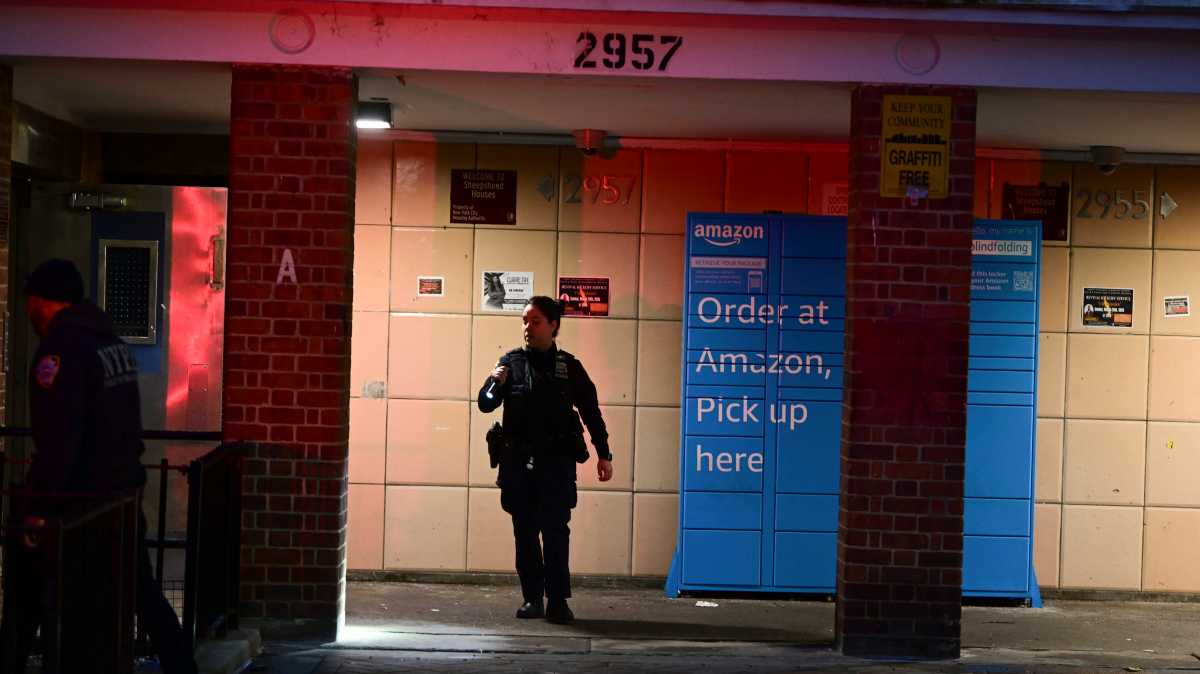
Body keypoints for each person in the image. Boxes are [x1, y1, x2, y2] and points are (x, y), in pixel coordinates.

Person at [0, 259, 198, 673]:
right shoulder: (110, 343)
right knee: (140, 590)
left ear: (42, 300)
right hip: (120, 493)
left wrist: (38, 507)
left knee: (30, 594)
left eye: (31, 300)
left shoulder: (62, 349)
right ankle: (182, 666)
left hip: (79, 500)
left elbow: (59, 436)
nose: (29, 310)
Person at [478, 296, 613, 624]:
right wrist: (494, 381)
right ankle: (532, 599)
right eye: (525, 320)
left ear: (553, 326)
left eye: (535, 321)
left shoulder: (569, 367)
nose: (528, 327)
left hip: (556, 465)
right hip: (519, 465)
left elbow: (591, 412)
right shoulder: (509, 364)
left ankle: (557, 601)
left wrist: (603, 453)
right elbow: (485, 404)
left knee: (555, 534)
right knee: (524, 533)